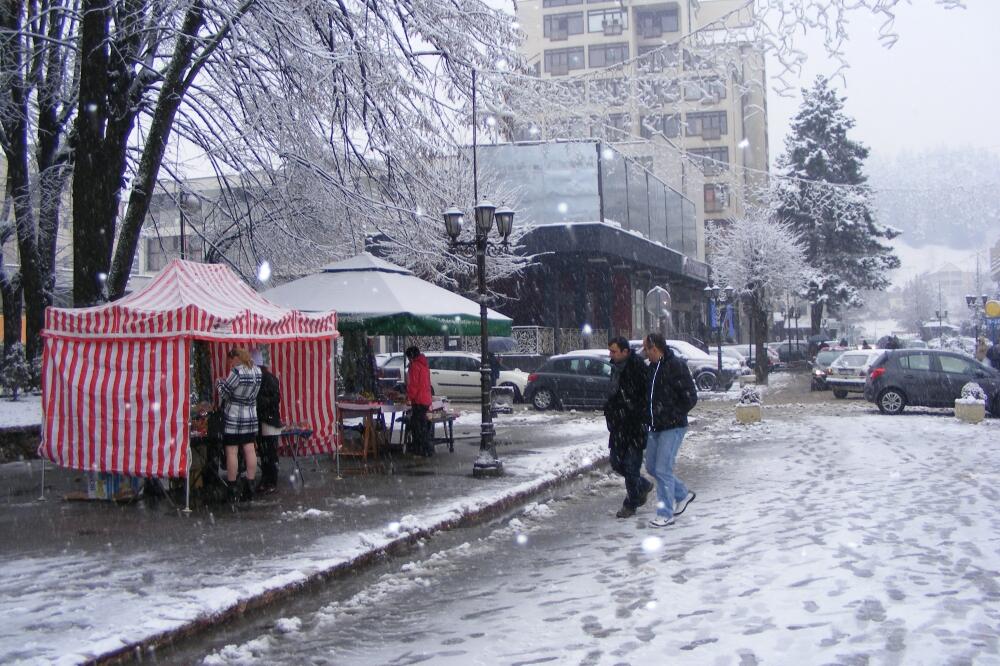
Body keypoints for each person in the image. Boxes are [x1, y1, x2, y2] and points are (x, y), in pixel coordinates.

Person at [643, 333, 698, 528]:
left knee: (663, 469)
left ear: (655, 348)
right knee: (651, 467)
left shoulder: (676, 366)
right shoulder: (652, 368)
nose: (645, 353)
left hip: (673, 427)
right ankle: (682, 494)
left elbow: (691, 397)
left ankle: (665, 513)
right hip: (654, 426)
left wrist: (673, 415)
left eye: (647, 349)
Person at [604, 336, 652, 519]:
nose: (611, 354)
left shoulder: (637, 367)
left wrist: (637, 412)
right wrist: (611, 413)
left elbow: (645, 395)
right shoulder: (615, 368)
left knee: (631, 468)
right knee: (616, 463)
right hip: (618, 426)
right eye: (610, 351)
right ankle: (643, 486)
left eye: (614, 351)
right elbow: (613, 394)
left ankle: (630, 504)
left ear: (625, 351)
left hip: (634, 426)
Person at [217, 348, 262, 501]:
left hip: (234, 417)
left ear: (236, 358)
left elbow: (225, 393)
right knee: (250, 450)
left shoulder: (237, 372)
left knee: (231, 452)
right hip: (250, 415)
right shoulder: (257, 371)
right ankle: (250, 484)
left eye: (231, 360)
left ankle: (232, 487)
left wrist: (219, 383)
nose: (230, 364)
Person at [253, 349, 282, 495]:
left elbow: (274, 399)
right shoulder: (269, 378)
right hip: (268, 419)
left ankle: (270, 481)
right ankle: (267, 480)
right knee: (267, 453)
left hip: (268, 420)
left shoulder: (265, 379)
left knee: (269, 453)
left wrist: (259, 402)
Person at [405, 346, 433, 457]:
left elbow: (413, 385)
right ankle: (426, 448)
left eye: (408, 357)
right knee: (422, 424)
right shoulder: (424, 365)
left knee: (417, 426)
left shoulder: (415, 366)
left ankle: (421, 449)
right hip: (425, 399)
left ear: (411, 356)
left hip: (419, 400)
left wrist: (409, 397)